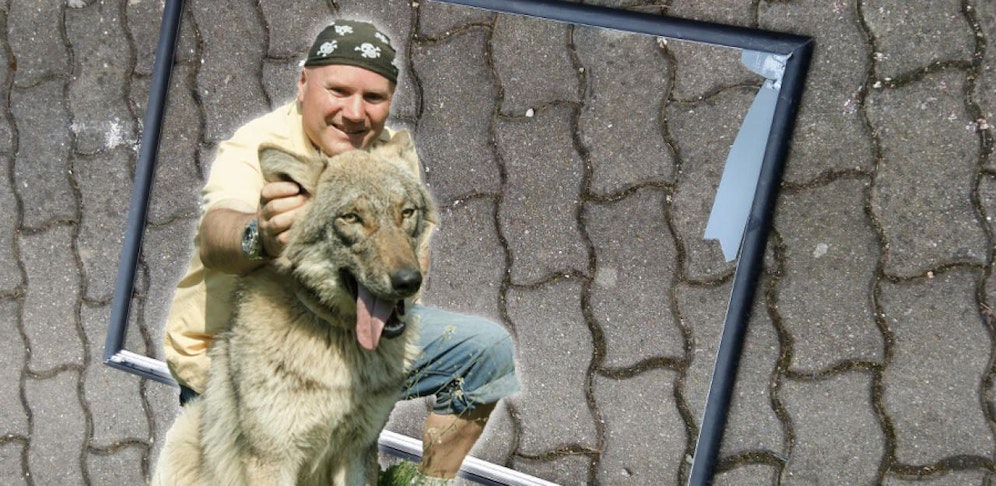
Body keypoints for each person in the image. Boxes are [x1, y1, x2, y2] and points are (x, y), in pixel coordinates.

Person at [162, 19, 519, 482]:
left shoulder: (388, 153)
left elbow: (410, 261)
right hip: (242, 361)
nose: (355, 113)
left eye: (374, 97)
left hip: (359, 334)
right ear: (303, 83)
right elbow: (216, 234)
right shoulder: (256, 145)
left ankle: (425, 482)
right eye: (339, 91)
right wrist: (261, 235)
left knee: (486, 350)